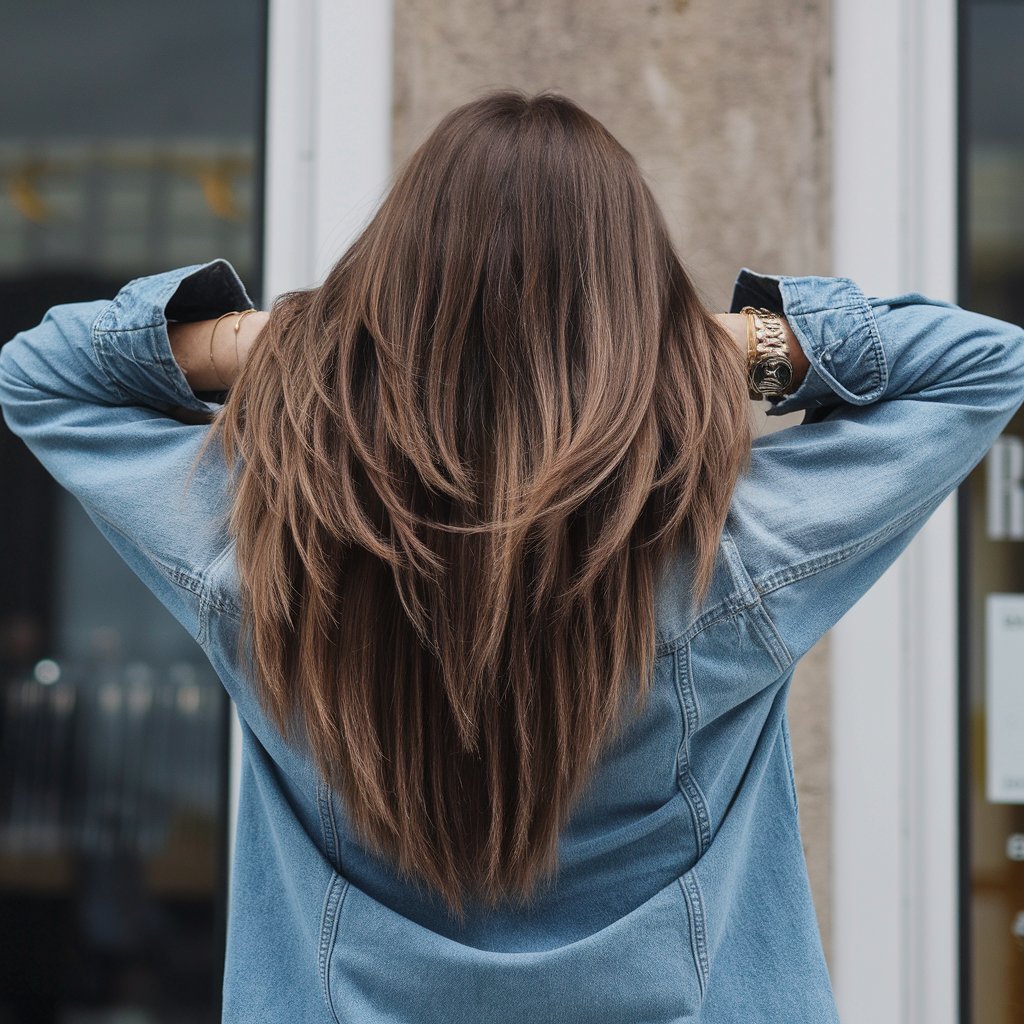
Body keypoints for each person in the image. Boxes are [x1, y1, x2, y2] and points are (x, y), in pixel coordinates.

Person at [1, 88, 1022, 1024]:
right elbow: (982, 364)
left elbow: (42, 375)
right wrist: (680, 343)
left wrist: (318, 341)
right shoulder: (723, 553)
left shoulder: (266, 548)